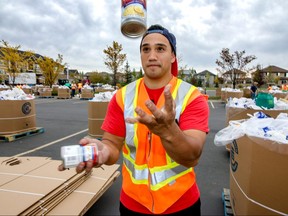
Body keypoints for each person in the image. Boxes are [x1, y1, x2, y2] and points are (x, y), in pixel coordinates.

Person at [59, 24, 209, 215]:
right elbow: (112, 145)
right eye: (145, 49)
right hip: (132, 204)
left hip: (180, 204)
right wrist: (103, 151)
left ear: (173, 56)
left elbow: (192, 156)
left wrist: (168, 132)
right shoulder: (122, 96)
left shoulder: (192, 96)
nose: (152, 56)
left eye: (160, 48)